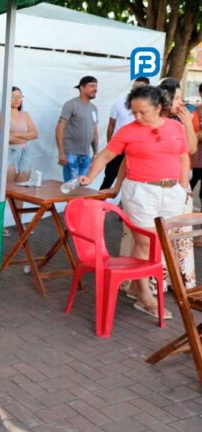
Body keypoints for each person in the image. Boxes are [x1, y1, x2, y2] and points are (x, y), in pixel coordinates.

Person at [79, 85, 187, 319]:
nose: (137, 117)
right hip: (140, 191)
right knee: (146, 242)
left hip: (171, 192)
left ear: (159, 108)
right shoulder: (129, 131)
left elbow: (182, 156)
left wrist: (184, 187)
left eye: (143, 112)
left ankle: (139, 288)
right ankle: (145, 296)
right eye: (134, 112)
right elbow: (107, 155)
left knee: (155, 244)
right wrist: (90, 175)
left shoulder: (176, 128)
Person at [99, 77, 149, 190]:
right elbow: (111, 125)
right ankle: (98, 204)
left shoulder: (151, 107)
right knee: (109, 178)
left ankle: (123, 204)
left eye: (141, 88)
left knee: (133, 179)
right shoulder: (120, 102)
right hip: (119, 147)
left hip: (138, 149)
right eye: (135, 87)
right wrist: (111, 145)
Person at [56, 76, 99, 182]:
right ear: (82, 88)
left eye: (96, 86)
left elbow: (94, 132)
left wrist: (96, 153)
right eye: (92, 86)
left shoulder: (94, 108)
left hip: (86, 154)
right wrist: (61, 153)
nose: (95, 89)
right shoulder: (71, 105)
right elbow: (59, 128)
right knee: (71, 186)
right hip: (71, 153)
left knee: (82, 185)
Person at [0, 86, 38, 184]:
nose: (17, 100)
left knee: (23, 187)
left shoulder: (25, 114)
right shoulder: (2, 115)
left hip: (25, 152)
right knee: (8, 187)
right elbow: (7, 138)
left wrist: (15, 134)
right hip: (9, 152)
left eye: (19, 97)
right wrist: (25, 137)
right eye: (13, 97)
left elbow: (35, 134)